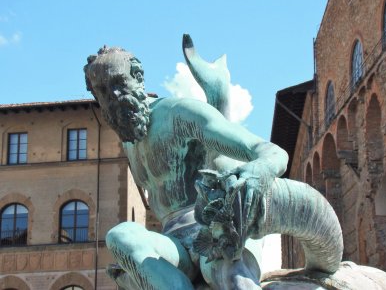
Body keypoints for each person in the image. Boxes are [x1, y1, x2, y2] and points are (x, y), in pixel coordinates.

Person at [84, 43, 288, 290]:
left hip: (215, 226)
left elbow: (268, 151)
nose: (112, 97)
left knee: (226, 275)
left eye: (118, 83)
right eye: (102, 91)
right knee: (119, 236)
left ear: (137, 78)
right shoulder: (130, 142)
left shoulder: (178, 115)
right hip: (174, 243)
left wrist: (260, 171)